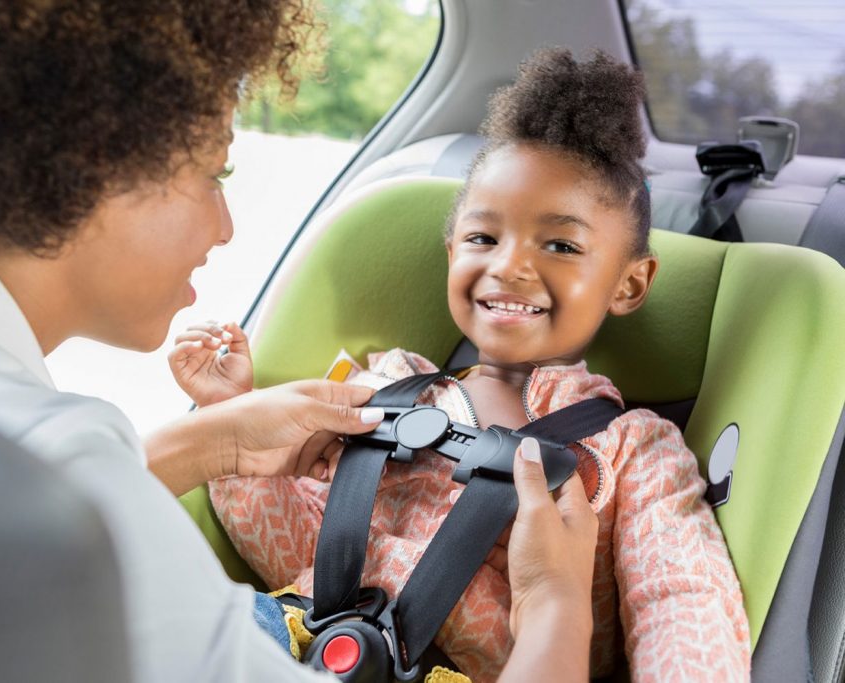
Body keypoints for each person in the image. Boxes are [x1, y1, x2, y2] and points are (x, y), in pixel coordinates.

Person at [0, 3, 601, 682]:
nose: (225, 228)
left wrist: (215, 440)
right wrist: (556, 606)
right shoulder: (52, 455)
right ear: (98, 165)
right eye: (212, 173)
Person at [177, 49, 751, 682]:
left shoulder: (632, 451)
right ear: (451, 251)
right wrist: (227, 414)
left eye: (560, 244)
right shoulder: (387, 384)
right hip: (292, 637)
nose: (507, 265)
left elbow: (680, 599)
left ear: (628, 283)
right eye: (483, 238)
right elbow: (286, 543)